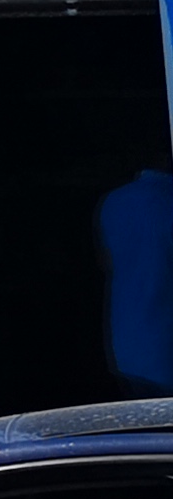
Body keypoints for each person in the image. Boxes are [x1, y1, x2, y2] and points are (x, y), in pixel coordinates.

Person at [102, 139, 173, 396]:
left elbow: (107, 263)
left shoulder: (113, 202)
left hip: (127, 342)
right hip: (166, 343)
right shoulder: (168, 200)